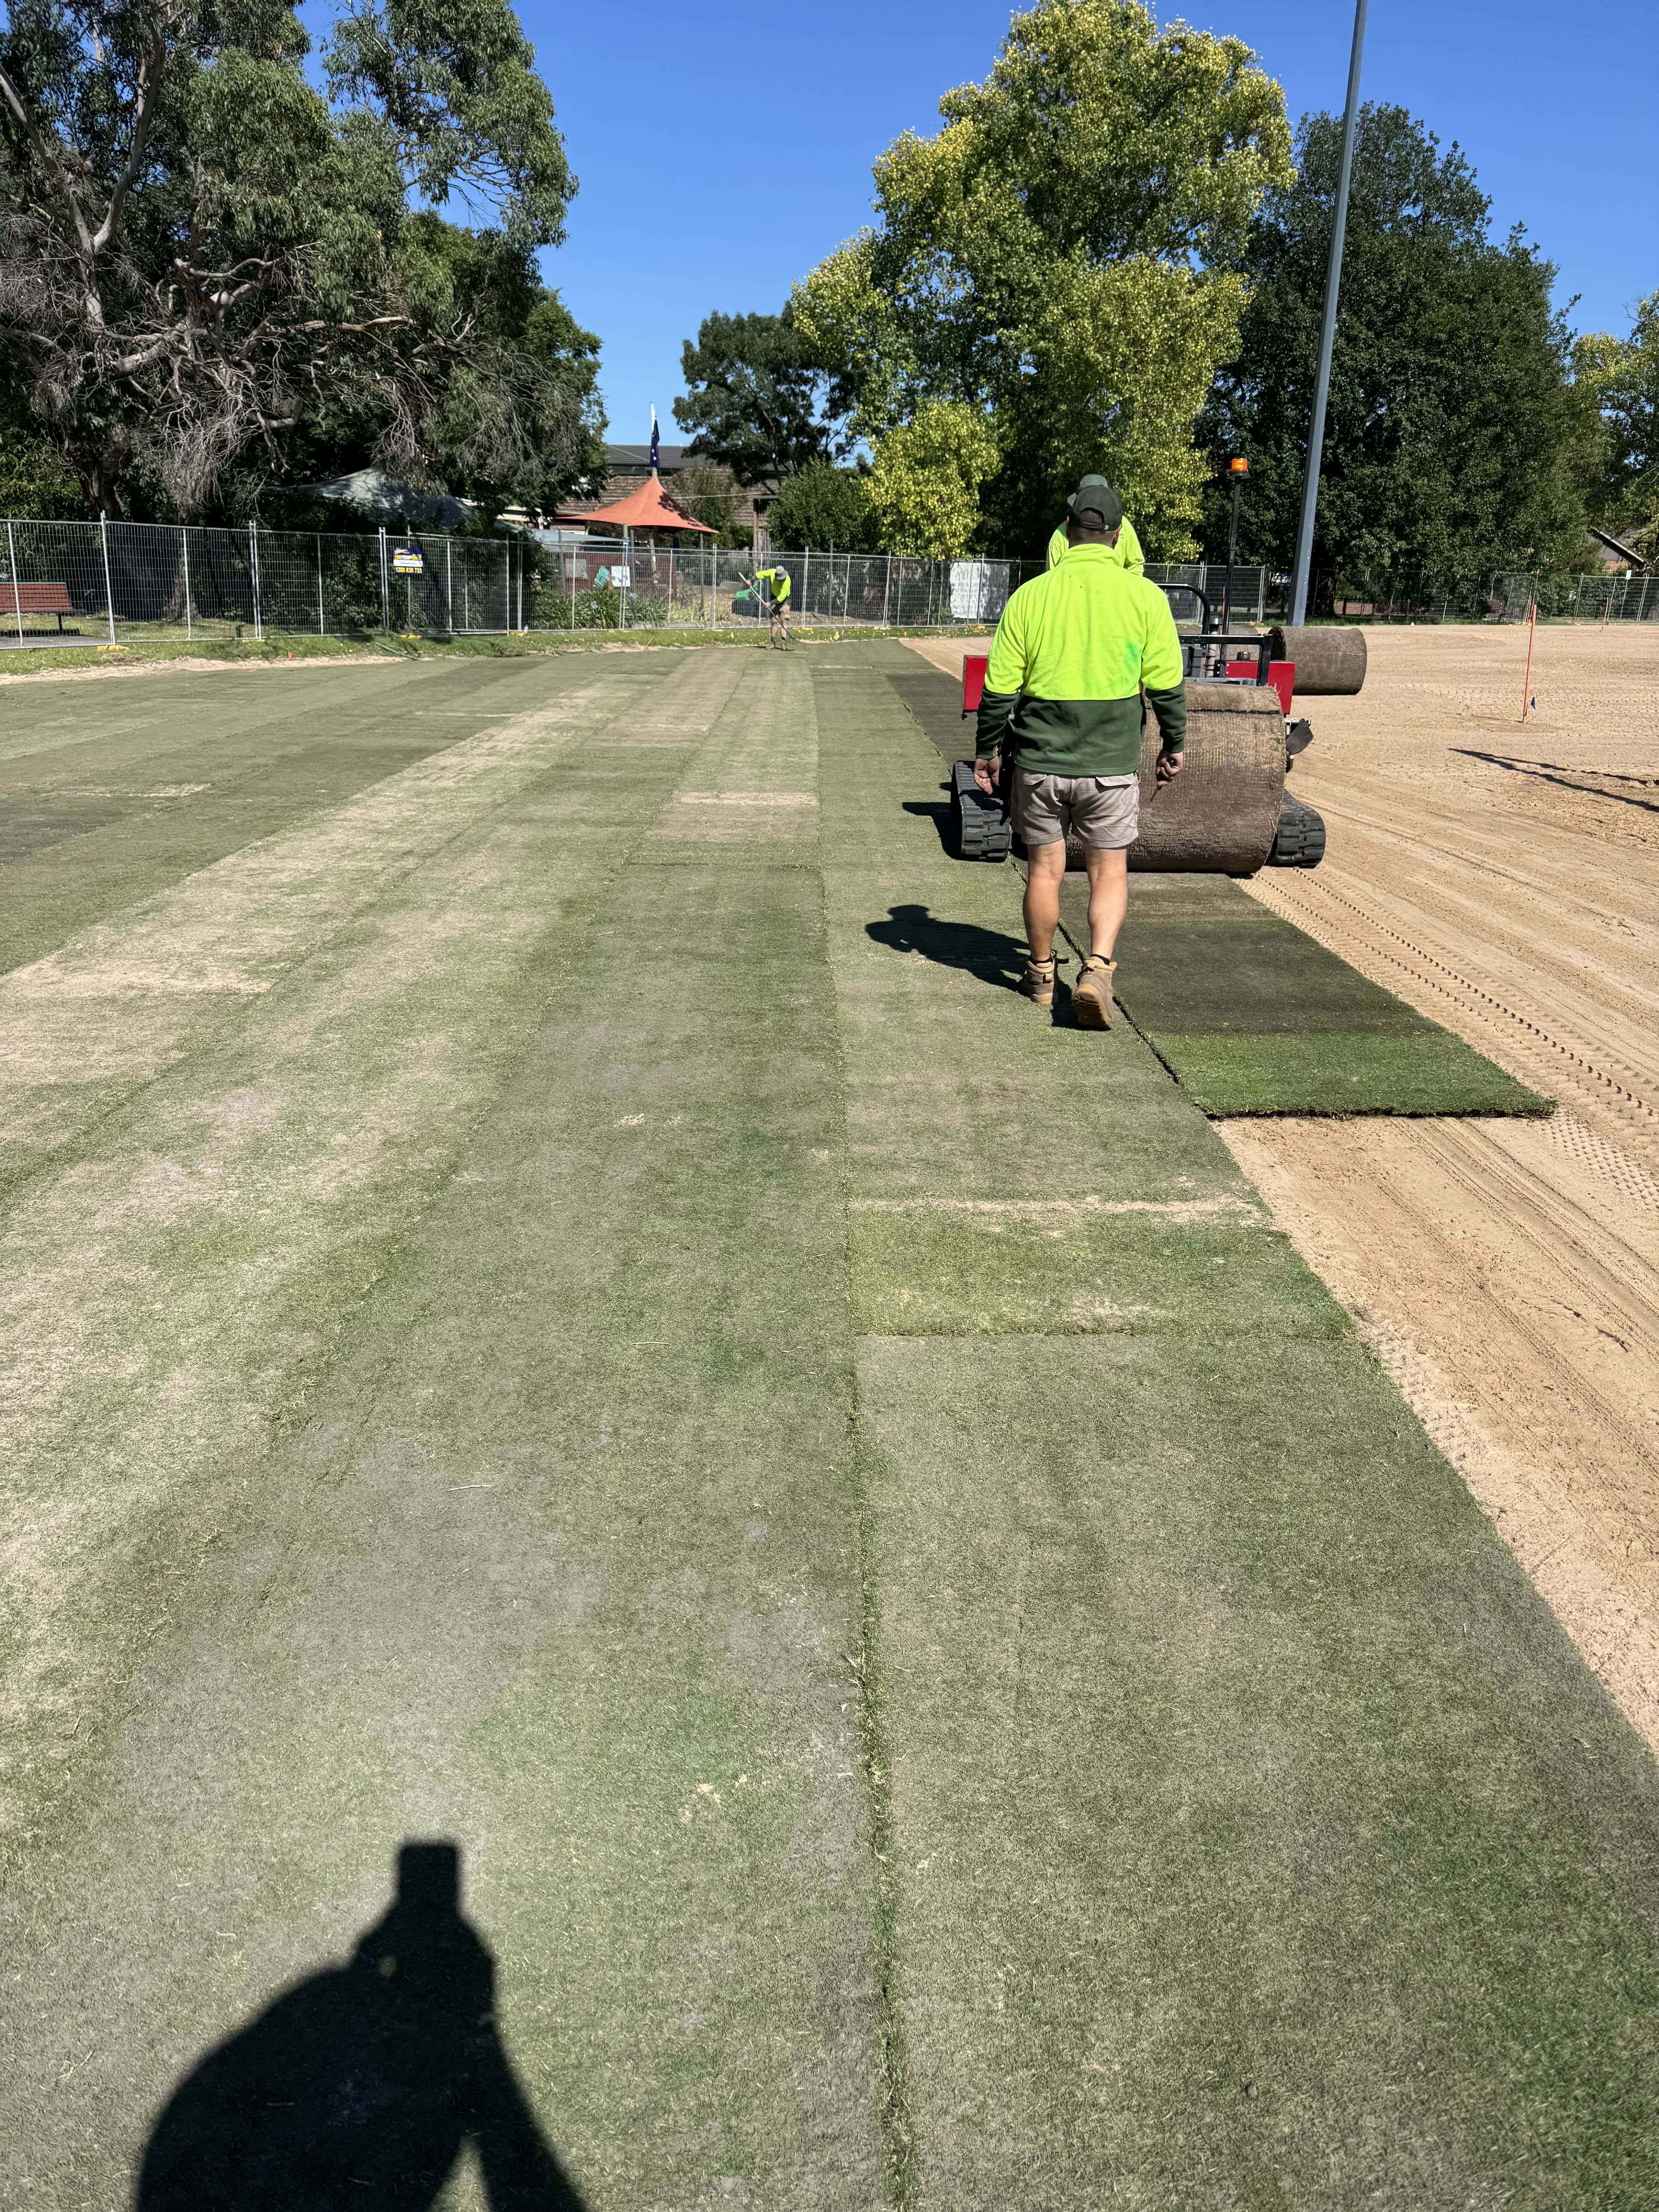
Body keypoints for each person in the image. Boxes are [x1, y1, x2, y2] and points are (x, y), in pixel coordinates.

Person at [974, 476, 1186, 1029]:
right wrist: (1175, 743)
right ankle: (1097, 967)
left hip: (1041, 763)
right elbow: (1165, 684)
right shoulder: (1144, 597)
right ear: (1119, 539)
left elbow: (998, 689)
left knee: (1045, 869)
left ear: (1067, 533)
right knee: (1107, 871)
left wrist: (987, 753)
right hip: (1110, 766)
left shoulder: (1031, 596)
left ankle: (1041, 974)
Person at [1046, 476, 1144, 574]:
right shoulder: (1059, 537)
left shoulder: (1125, 526)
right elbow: (1054, 576)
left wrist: (1124, 587)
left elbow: (1136, 564)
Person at [754, 561, 792, 647]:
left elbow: (782, 597)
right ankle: (773, 643)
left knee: (784, 620)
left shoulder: (788, 580)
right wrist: (751, 580)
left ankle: (783, 643)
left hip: (785, 600)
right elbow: (761, 574)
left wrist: (770, 604)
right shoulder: (772, 573)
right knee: (774, 621)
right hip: (774, 597)